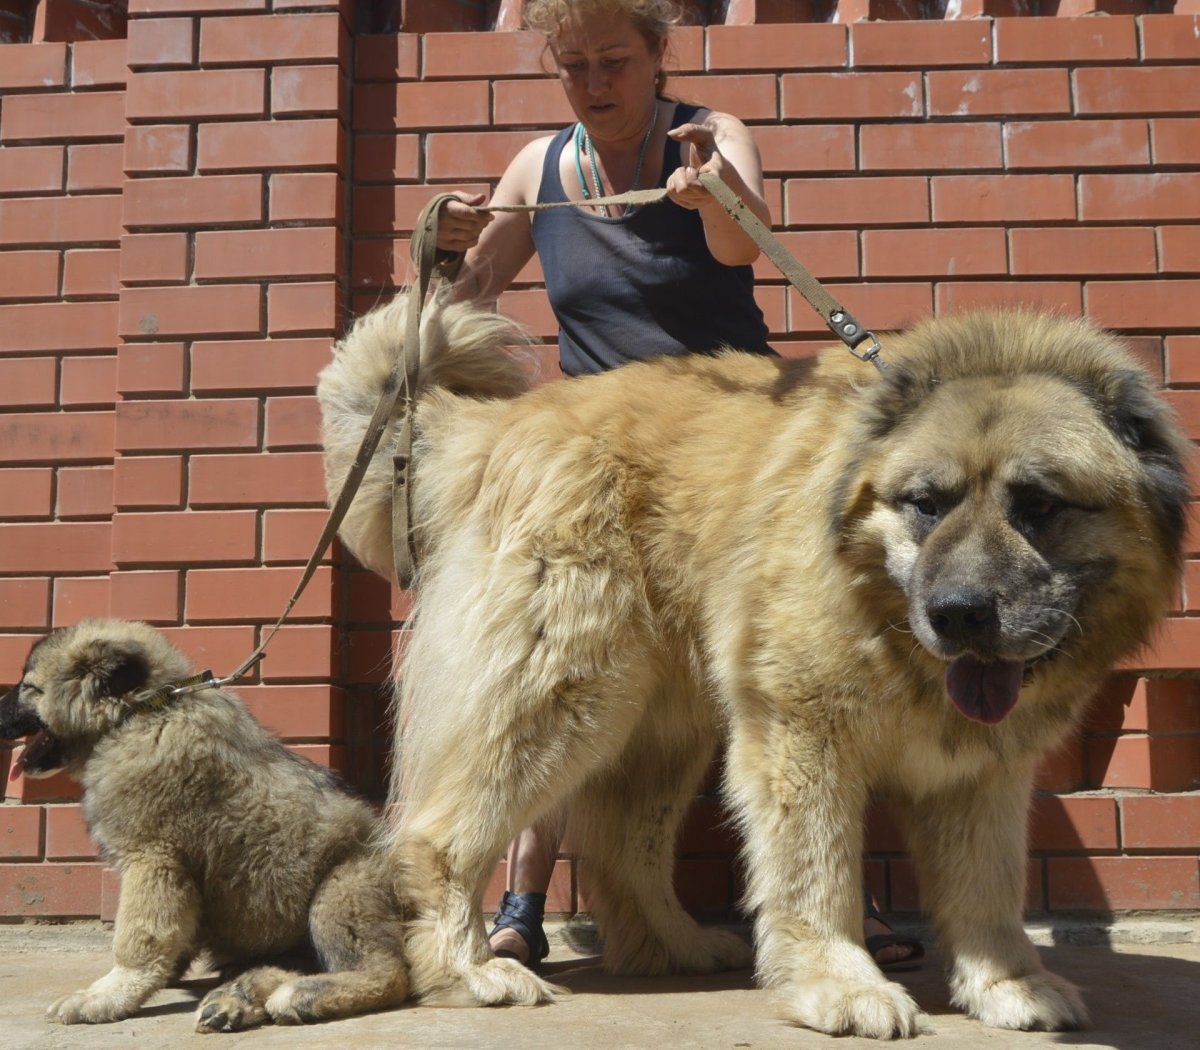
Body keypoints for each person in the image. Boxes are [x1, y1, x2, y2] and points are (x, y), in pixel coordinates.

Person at [430, 0, 923, 974]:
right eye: (573, 65)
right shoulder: (537, 168)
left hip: (732, 448)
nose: (594, 83)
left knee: (800, 667)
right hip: (607, 455)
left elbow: (744, 246)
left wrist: (714, 197)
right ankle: (521, 904)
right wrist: (445, 245)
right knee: (559, 668)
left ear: (659, 55)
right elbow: (469, 292)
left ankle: (839, 903)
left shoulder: (710, 134)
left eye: (614, 61)